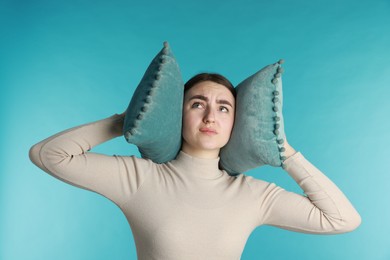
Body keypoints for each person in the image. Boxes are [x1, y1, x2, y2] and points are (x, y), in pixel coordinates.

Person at [29, 73, 361, 259]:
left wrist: (285, 152)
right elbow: (48, 154)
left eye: (224, 108)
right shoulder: (139, 179)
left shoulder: (253, 195)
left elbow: (342, 219)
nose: (210, 117)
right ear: (179, 113)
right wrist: (125, 121)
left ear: (236, 123)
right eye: (197, 103)